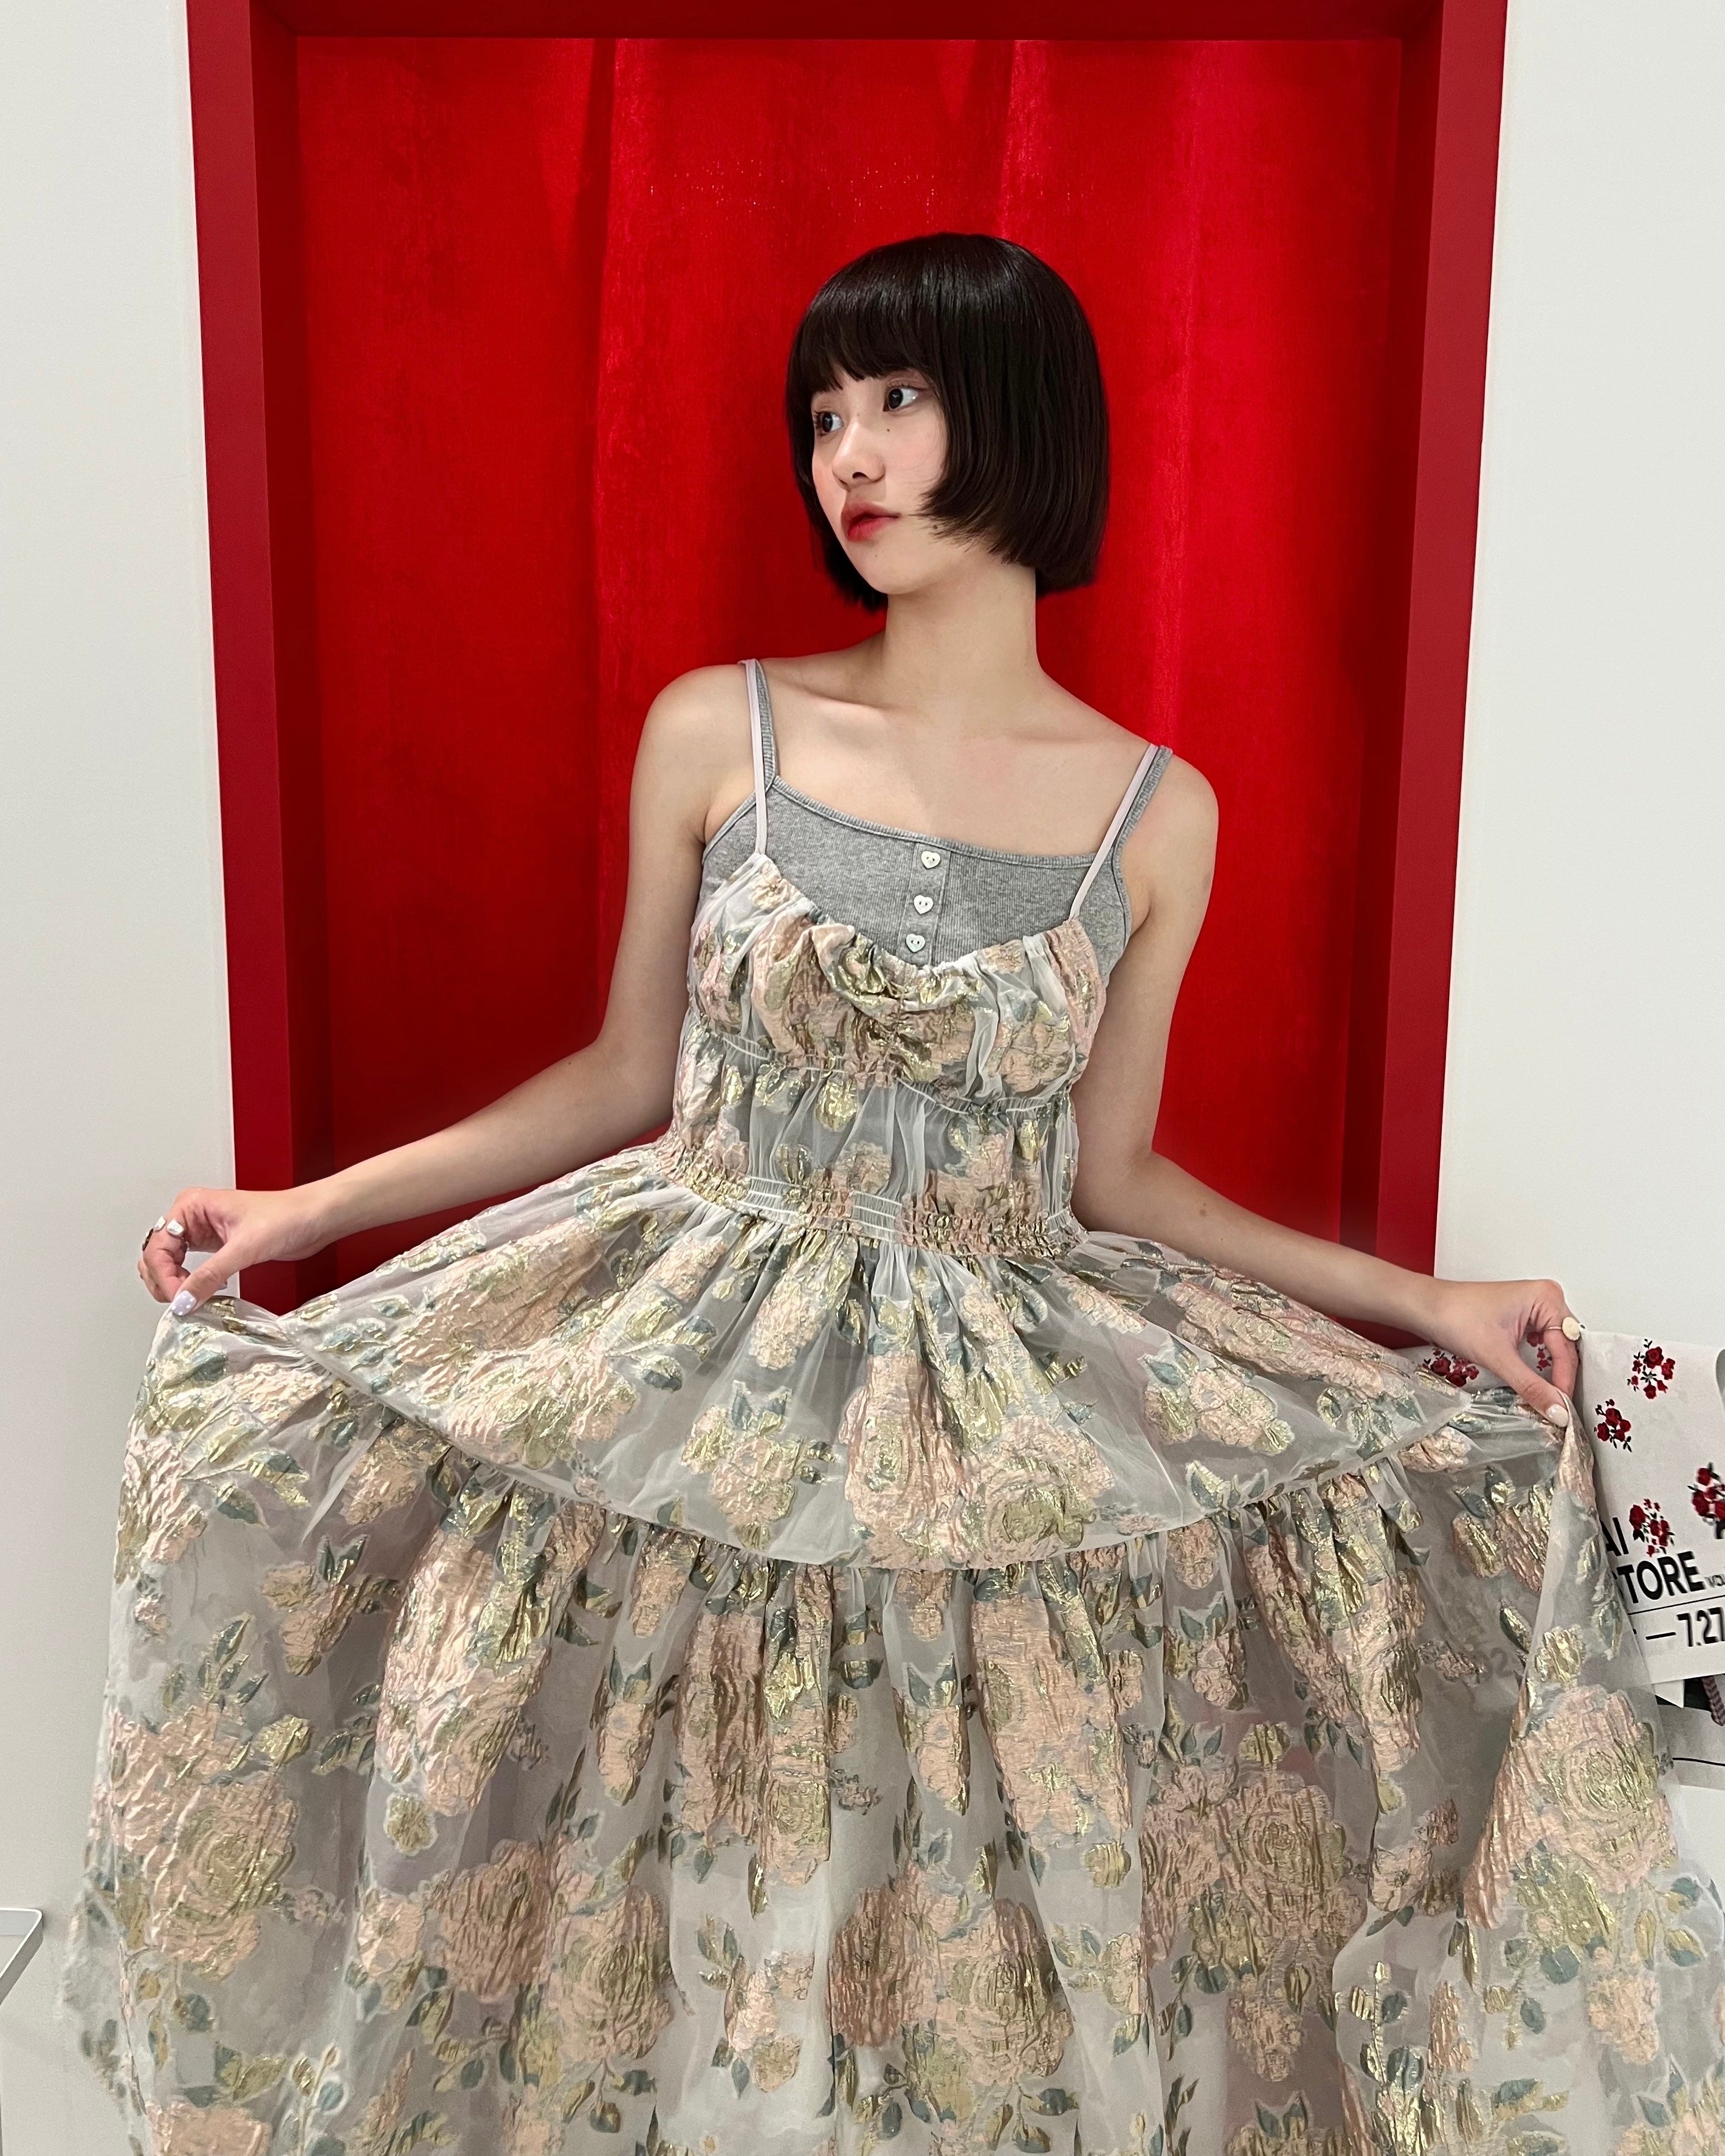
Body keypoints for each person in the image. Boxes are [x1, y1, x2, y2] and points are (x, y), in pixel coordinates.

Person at [67, 232, 1724, 2156]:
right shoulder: (721, 729)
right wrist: (308, 1209)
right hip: (692, 1335)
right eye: (824, 414)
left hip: (1002, 1374)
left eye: (899, 399)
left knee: (954, 1825)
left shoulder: (1155, 813)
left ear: (1020, 418)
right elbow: (621, 1078)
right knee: (641, 1808)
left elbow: (1115, 1176)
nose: (847, 454)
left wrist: (1424, 1305)